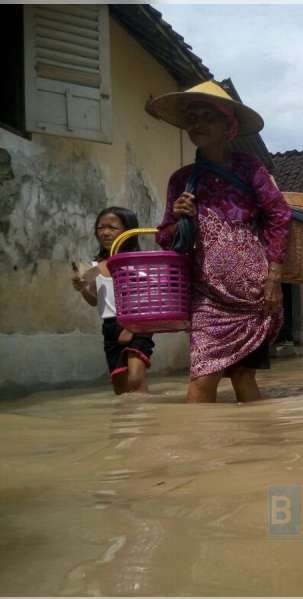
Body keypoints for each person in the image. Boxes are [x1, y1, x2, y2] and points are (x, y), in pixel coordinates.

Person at [149, 81, 291, 403]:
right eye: (192, 117)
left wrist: (274, 276)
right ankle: (196, 450)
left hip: (255, 295)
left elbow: (279, 216)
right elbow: (165, 238)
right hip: (208, 298)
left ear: (228, 125)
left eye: (207, 116)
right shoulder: (181, 180)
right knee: (202, 381)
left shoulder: (249, 168)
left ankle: (260, 451)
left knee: (244, 379)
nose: (197, 123)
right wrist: (178, 217)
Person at [72, 207, 155, 395]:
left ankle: (145, 416)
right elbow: (95, 301)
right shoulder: (93, 267)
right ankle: (139, 418)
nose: (105, 232)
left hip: (139, 323)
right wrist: (82, 288)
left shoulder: (138, 263)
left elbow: (147, 300)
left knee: (134, 378)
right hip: (110, 327)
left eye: (112, 227)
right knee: (121, 388)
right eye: (100, 227)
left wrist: (131, 327)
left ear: (129, 231)